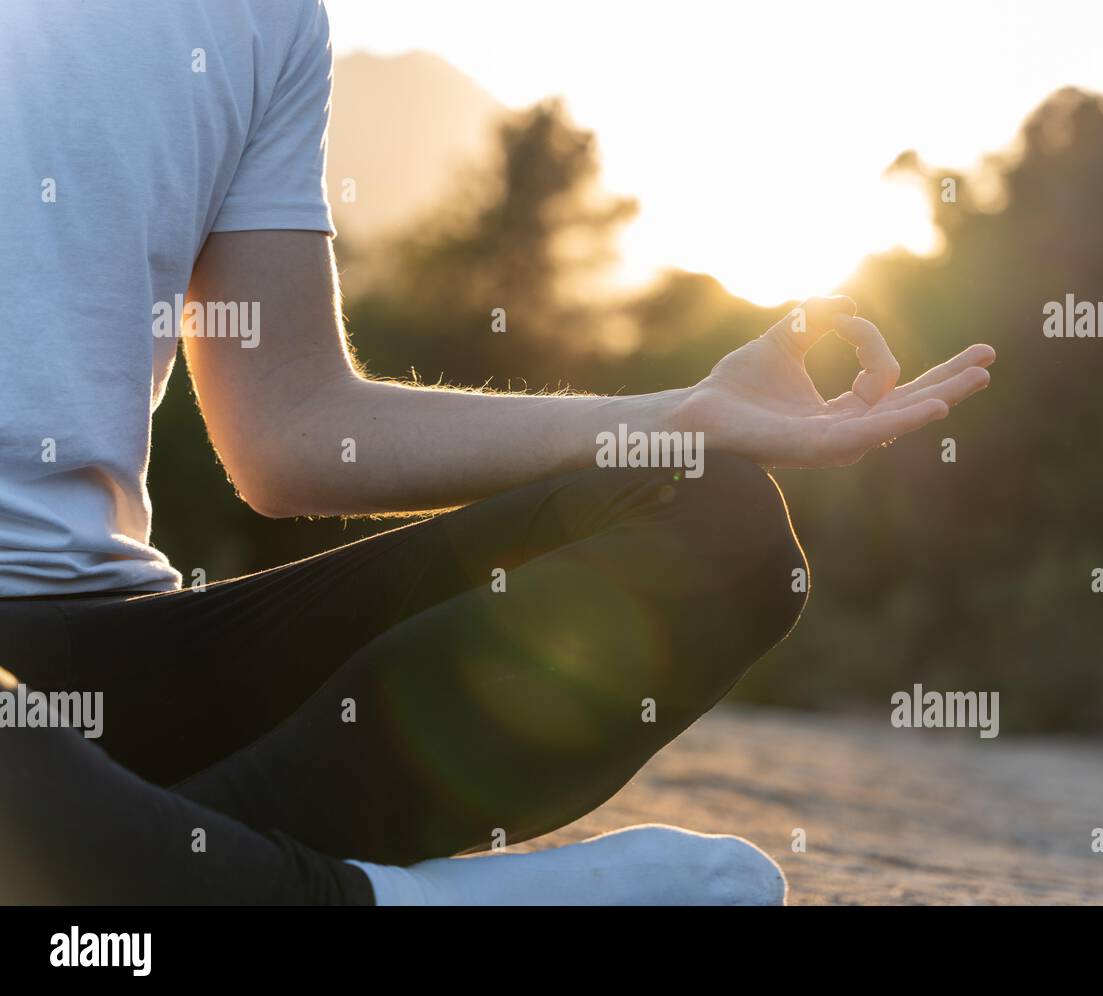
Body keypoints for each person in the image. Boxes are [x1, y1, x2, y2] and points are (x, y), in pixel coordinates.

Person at [0, 0, 993, 905]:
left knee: (720, 530)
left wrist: (680, 417)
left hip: (98, 666)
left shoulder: (265, 17)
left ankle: (144, 878)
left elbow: (291, 427)